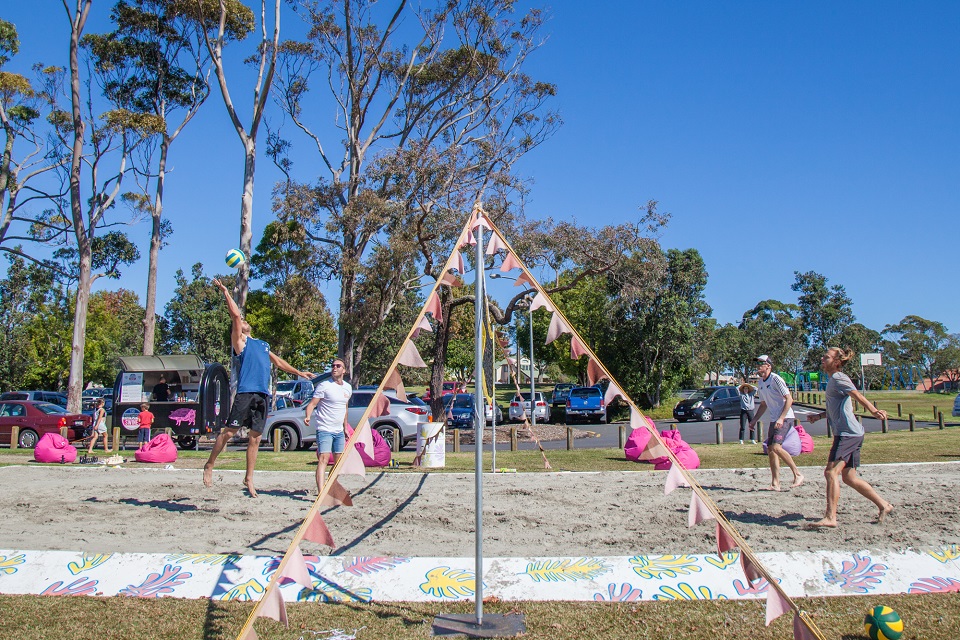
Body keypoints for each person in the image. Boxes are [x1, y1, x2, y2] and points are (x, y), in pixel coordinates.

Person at [203, 278, 314, 497]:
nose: (242, 320)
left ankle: (249, 478)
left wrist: (299, 373)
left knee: (255, 437)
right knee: (229, 432)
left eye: (244, 320)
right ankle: (209, 464)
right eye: (241, 320)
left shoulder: (262, 345)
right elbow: (235, 315)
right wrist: (226, 292)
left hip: (262, 395)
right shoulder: (240, 341)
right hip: (246, 392)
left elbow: (279, 362)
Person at [807, 347, 893, 527]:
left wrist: (874, 411)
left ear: (836, 362)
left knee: (831, 472)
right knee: (849, 477)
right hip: (852, 433)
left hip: (847, 434)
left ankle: (830, 517)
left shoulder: (839, 378)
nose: (822, 359)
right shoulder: (832, 380)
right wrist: (819, 416)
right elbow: (836, 408)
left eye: (827, 357)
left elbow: (857, 395)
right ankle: (884, 505)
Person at [748, 355, 805, 491]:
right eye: (757, 364)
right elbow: (763, 404)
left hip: (785, 417)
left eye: (761, 364)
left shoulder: (776, 379)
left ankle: (797, 474)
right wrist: (754, 420)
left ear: (768, 366)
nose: (758, 366)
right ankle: (775, 483)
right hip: (774, 419)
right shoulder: (761, 383)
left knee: (776, 447)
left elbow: (789, 399)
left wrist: (781, 418)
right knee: (770, 450)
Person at [304, 358, 352, 494]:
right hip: (324, 428)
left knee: (338, 463)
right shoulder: (324, 385)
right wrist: (307, 416)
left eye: (338, 366)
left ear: (344, 370)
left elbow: (345, 408)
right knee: (323, 458)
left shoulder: (348, 387)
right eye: (333, 366)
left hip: (339, 431)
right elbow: (312, 404)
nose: (334, 368)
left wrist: (345, 427)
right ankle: (321, 492)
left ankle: (330, 486)